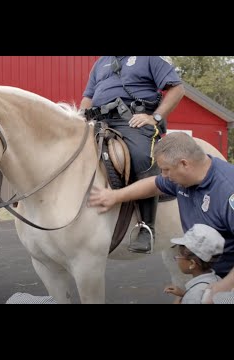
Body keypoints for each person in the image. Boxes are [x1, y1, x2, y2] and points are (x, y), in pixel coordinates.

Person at [88, 132, 234, 279]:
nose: (163, 175)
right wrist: (115, 196)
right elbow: (153, 184)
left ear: (184, 164)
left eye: (166, 169)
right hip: (207, 274)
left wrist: (221, 288)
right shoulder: (183, 177)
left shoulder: (228, 190)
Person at [80, 56, 185, 253]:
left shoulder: (151, 58)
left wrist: (154, 117)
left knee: (141, 156)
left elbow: (177, 89)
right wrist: (80, 117)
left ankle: (146, 228)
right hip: (97, 121)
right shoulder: (100, 62)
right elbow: (88, 96)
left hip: (132, 121)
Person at [163, 224, 224, 304]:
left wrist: (181, 299)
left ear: (192, 263)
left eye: (179, 255)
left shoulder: (193, 296)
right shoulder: (218, 280)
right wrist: (184, 294)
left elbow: (196, 298)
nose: (176, 258)